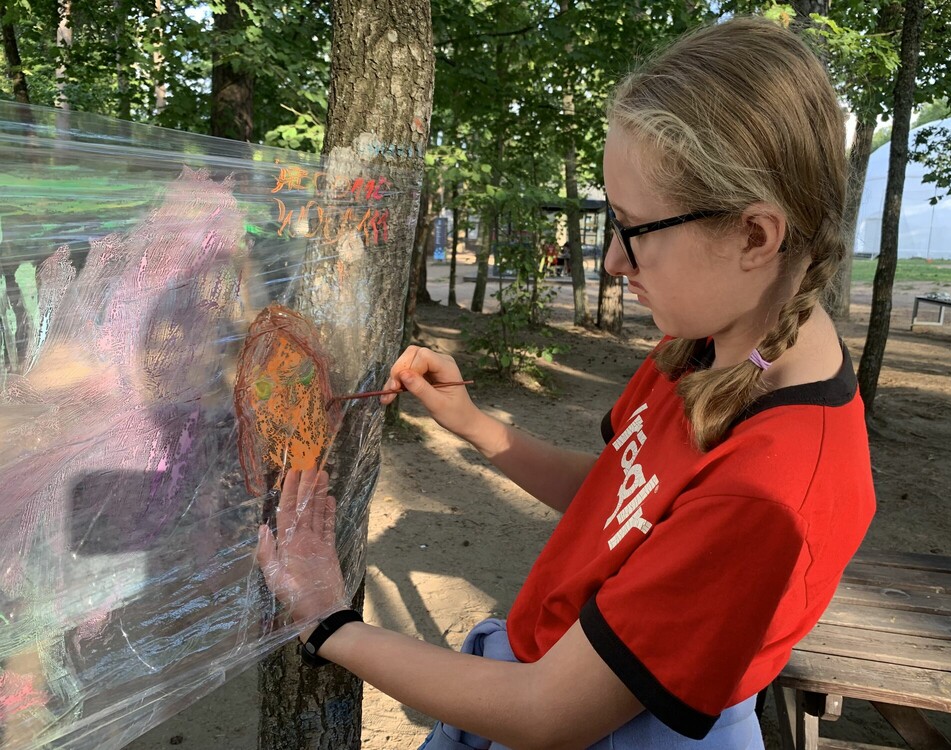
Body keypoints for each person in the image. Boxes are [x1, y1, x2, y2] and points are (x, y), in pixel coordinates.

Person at [256, 16, 876, 750]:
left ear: (753, 235)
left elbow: (547, 713)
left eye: (635, 229)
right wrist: (477, 426)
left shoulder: (768, 491)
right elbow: (621, 498)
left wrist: (328, 620)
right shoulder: (708, 343)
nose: (613, 260)